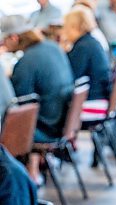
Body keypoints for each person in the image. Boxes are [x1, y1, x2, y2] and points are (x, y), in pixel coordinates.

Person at [0, 14, 74, 182]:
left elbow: (15, 104)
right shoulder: (53, 47)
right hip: (61, 121)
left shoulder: (26, 62)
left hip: (44, 127)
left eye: (4, 40)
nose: (3, 44)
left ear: (14, 37)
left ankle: (23, 175)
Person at [61, 6, 112, 121]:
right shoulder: (92, 42)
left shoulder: (82, 47)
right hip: (101, 98)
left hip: (92, 103)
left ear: (75, 27)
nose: (64, 31)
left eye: (66, 27)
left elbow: (70, 77)